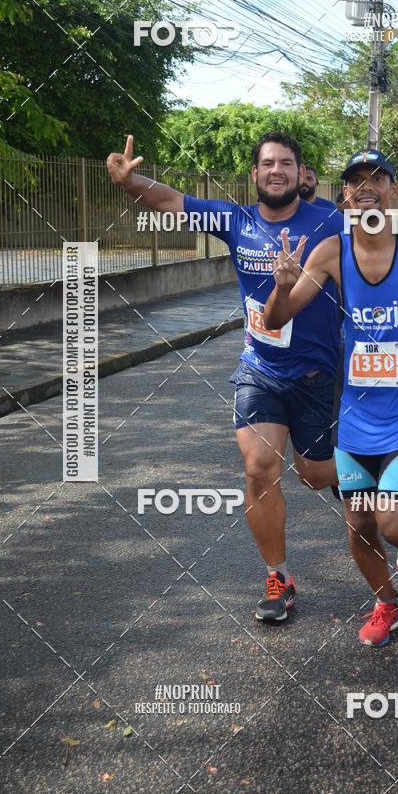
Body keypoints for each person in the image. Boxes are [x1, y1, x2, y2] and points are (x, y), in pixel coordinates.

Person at [107, 132, 343, 623]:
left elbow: (380, 261)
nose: (276, 170)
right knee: (258, 467)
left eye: (287, 163)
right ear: (254, 175)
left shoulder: (331, 223)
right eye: (267, 163)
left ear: (302, 175)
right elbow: (171, 199)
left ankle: (344, 473)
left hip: (318, 372)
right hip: (260, 368)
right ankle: (278, 577)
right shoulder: (236, 221)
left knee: (314, 476)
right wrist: (132, 184)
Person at [263, 149, 398, 647]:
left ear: (393, 191)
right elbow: (277, 319)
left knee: (394, 521)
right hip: (354, 414)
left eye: (377, 178)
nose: (366, 186)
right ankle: (386, 605)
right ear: (345, 195)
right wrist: (280, 287)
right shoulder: (329, 253)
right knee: (360, 524)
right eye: (356, 179)